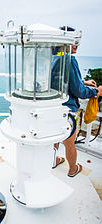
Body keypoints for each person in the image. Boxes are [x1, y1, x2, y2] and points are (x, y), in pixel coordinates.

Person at [52, 26, 102, 177]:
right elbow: (78, 92)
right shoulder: (70, 60)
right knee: (69, 142)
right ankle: (73, 169)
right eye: (74, 42)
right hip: (67, 110)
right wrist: (96, 92)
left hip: (52, 108)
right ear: (65, 42)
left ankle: (52, 161)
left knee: (54, 138)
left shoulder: (53, 58)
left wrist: (82, 82)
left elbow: (60, 81)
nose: (76, 46)